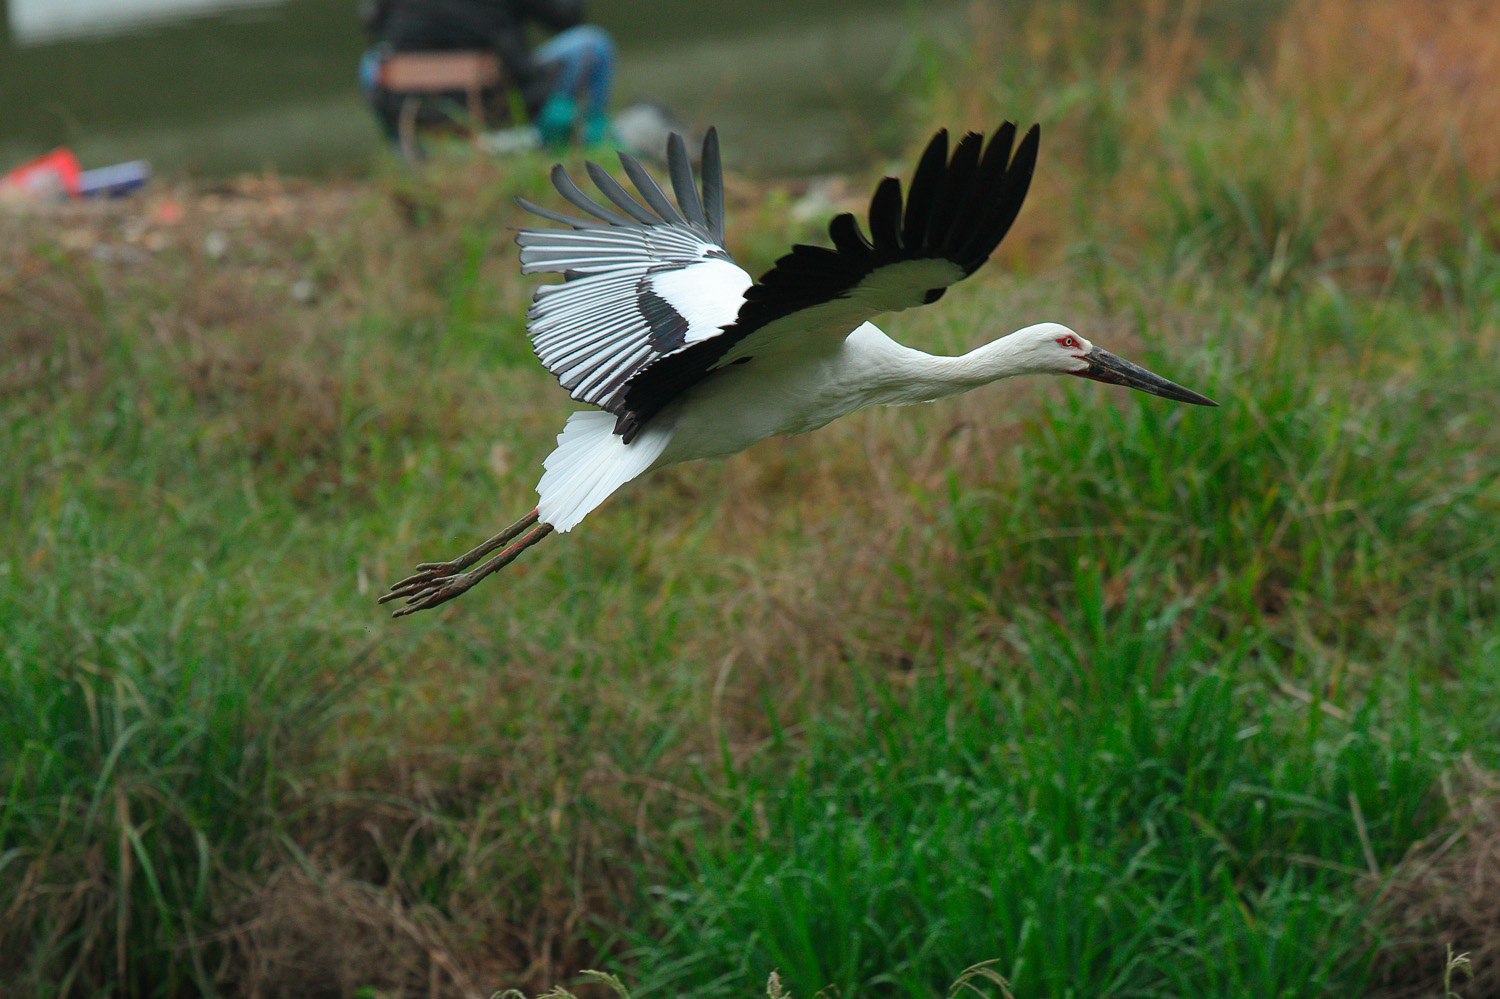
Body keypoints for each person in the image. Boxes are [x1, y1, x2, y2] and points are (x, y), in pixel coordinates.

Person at [359, 0, 616, 147]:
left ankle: (407, 153)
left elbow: (371, 22)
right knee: (594, 43)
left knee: (372, 63)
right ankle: (581, 141)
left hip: (413, 104)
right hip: (497, 102)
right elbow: (567, 17)